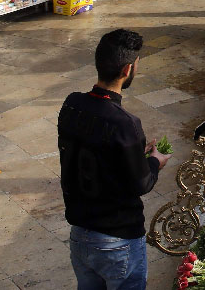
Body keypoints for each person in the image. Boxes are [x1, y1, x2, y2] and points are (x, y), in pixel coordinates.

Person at [59, 29, 172, 290]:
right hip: (117, 240)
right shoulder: (126, 124)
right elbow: (141, 183)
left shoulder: (72, 104)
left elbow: (94, 151)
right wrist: (155, 162)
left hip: (80, 234)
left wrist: (133, 154)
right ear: (127, 70)